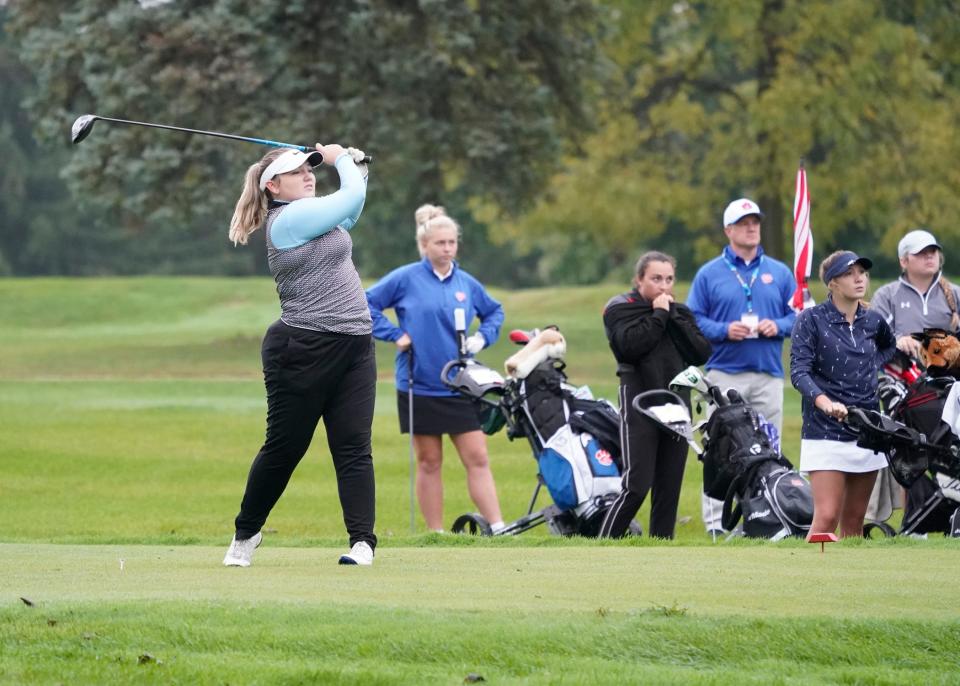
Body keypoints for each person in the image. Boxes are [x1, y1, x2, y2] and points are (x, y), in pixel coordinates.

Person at [222, 143, 377, 567]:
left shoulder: (313, 213)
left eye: (311, 168)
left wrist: (357, 168)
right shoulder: (287, 220)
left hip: (356, 344)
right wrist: (341, 158)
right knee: (285, 448)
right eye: (297, 172)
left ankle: (362, 542)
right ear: (272, 186)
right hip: (303, 348)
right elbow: (350, 198)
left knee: (353, 447)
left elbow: (351, 212)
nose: (309, 175)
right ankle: (246, 534)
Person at [365, 204, 506, 533]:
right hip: (420, 383)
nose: (447, 248)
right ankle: (436, 533)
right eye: (440, 243)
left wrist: (482, 339)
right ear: (425, 246)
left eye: (452, 243)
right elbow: (366, 303)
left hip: (460, 384)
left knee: (478, 456)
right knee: (429, 461)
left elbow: (494, 312)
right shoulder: (405, 279)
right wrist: (394, 334)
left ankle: (499, 527)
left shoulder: (467, 283)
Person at [687, 198, 797, 535]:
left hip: (767, 374)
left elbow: (798, 318)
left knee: (768, 448)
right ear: (728, 230)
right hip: (722, 373)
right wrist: (724, 330)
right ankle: (715, 525)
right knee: (719, 450)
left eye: (755, 222)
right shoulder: (709, 273)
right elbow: (692, 321)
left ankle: (763, 516)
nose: (752, 227)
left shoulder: (779, 272)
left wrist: (775, 325)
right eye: (743, 222)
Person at [599, 251, 712, 538]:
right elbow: (631, 346)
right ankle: (602, 543)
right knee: (637, 485)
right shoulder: (620, 308)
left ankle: (660, 549)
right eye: (656, 279)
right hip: (639, 401)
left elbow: (700, 351)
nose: (663, 286)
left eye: (669, 279)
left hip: (676, 403)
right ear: (639, 280)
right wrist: (660, 314)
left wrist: (671, 314)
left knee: (669, 486)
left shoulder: (680, 312)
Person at [790, 250, 896, 537]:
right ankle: (808, 579)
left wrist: (870, 364)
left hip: (867, 427)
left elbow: (889, 345)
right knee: (826, 517)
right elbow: (799, 372)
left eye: (861, 272)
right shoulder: (810, 320)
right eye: (849, 273)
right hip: (825, 429)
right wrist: (824, 402)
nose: (858, 278)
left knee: (854, 522)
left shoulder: (873, 321)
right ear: (832, 283)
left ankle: (849, 580)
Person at [872, 229, 960, 356]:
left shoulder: (956, 293)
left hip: (949, 373)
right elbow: (875, 336)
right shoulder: (886, 296)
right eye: (921, 252)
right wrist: (898, 340)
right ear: (903, 261)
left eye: (933, 251)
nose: (929, 255)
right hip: (901, 372)